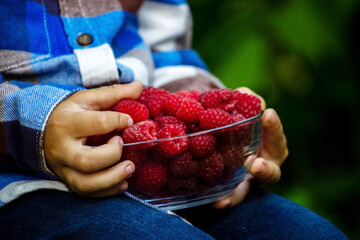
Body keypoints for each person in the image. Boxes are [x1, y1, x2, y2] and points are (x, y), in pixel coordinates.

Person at [0, 0, 347, 239]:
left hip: (159, 175)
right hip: (17, 183)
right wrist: (26, 124)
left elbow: (162, 49)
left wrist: (220, 136)